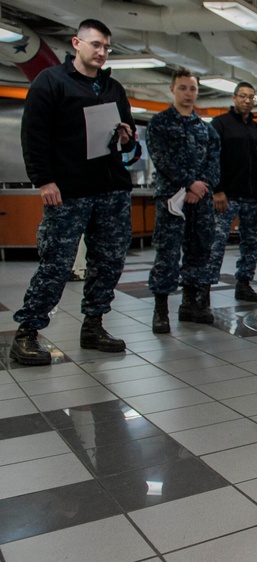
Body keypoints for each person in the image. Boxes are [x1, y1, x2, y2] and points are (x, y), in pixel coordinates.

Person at [10, 19, 137, 366]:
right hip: (69, 191)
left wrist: (127, 138)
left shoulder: (113, 88)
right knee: (57, 263)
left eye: (107, 47)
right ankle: (27, 333)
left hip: (110, 189)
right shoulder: (51, 82)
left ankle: (93, 325)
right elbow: (33, 136)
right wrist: (44, 180)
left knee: (108, 261)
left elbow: (128, 141)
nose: (102, 52)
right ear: (76, 43)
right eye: (96, 44)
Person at [146, 69, 221, 334]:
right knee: (167, 252)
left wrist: (200, 187)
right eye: (182, 88)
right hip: (171, 199)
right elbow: (161, 159)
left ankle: (190, 304)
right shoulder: (159, 124)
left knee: (199, 251)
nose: (188, 94)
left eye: (192, 89)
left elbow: (214, 163)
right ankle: (161, 310)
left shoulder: (206, 129)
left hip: (200, 200)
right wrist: (189, 182)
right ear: (172, 89)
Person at [207, 81, 257, 302]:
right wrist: (217, 190)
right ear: (234, 98)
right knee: (216, 242)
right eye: (243, 96)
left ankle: (244, 283)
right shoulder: (220, 125)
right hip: (226, 196)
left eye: (251, 97)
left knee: (252, 243)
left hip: (254, 197)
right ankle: (203, 289)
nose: (247, 100)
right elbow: (211, 160)